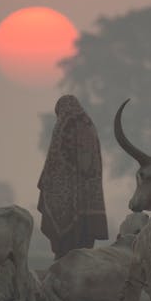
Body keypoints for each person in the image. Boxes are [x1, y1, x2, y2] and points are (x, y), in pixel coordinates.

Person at [38, 94, 109, 259]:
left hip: (67, 202)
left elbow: (54, 163)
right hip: (89, 198)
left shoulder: (64, 125)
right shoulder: (90, 126)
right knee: (84, 254)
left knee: (64, 253)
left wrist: (46, 182)